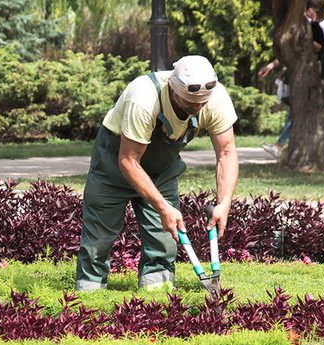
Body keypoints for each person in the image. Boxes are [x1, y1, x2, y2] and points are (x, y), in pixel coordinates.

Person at [75, 55, 239, 291]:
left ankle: (156, 299)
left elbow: (226, 152)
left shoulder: (215, 98)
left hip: (161, 169)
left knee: (164, 239)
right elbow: (129, 161)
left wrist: (224, 203)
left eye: (202, 104)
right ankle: (89, 299)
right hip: (114, 163)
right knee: (99, 238)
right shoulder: (144, 98)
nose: (197, 109)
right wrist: (162, 206)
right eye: (190, 103)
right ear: (173, 88)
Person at [259, 0, 324, 159]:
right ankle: (282, 145)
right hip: (299, 74)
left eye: (307, 11)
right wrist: (271, 66)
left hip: (313, 73)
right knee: (294, 110)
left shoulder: (321, 26)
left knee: (296, 112)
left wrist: (308, 34)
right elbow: (292, 52)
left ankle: (280, 145)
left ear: (313, 11)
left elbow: (320, 46)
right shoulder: (308, 26)